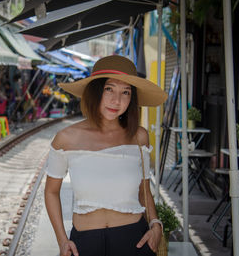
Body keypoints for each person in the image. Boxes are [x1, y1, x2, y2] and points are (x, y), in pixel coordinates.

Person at [44, 55, 168, 256]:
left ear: (132, 98)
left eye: (125, 92)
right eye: (109, 89)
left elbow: (144, 189)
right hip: (84, 244)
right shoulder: (66, 139)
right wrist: (62, 240)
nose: (116, 100)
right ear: (95, 91)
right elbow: (51, 192)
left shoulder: (139, 137)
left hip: (135, 241)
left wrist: (155, 225)